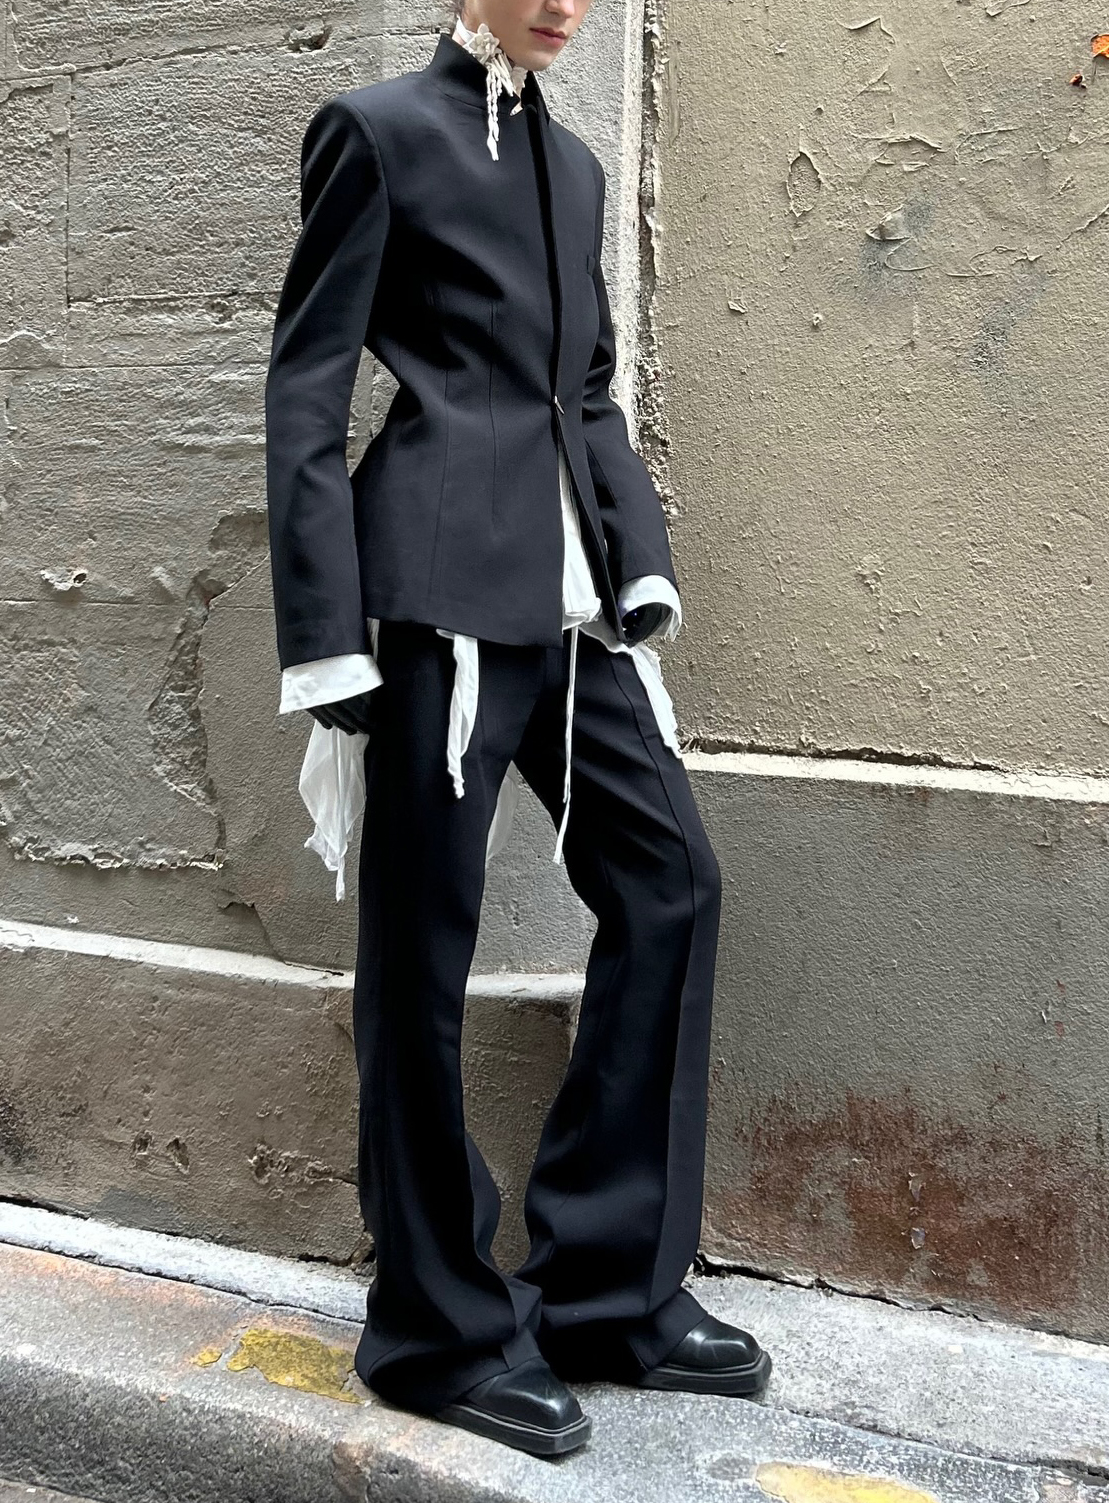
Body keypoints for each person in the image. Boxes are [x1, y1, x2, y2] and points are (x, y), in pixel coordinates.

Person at [264, 0, 771, 1460]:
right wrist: (325, 637)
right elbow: (309, 387)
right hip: (435, 604)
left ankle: (610, 1289)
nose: (562, 3)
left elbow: (586, 389)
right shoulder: (378, 134)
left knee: (671, 883)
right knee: (422, 951)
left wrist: (638, 556)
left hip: (570, 614)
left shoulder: (576, 163)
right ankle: (435, 1329)